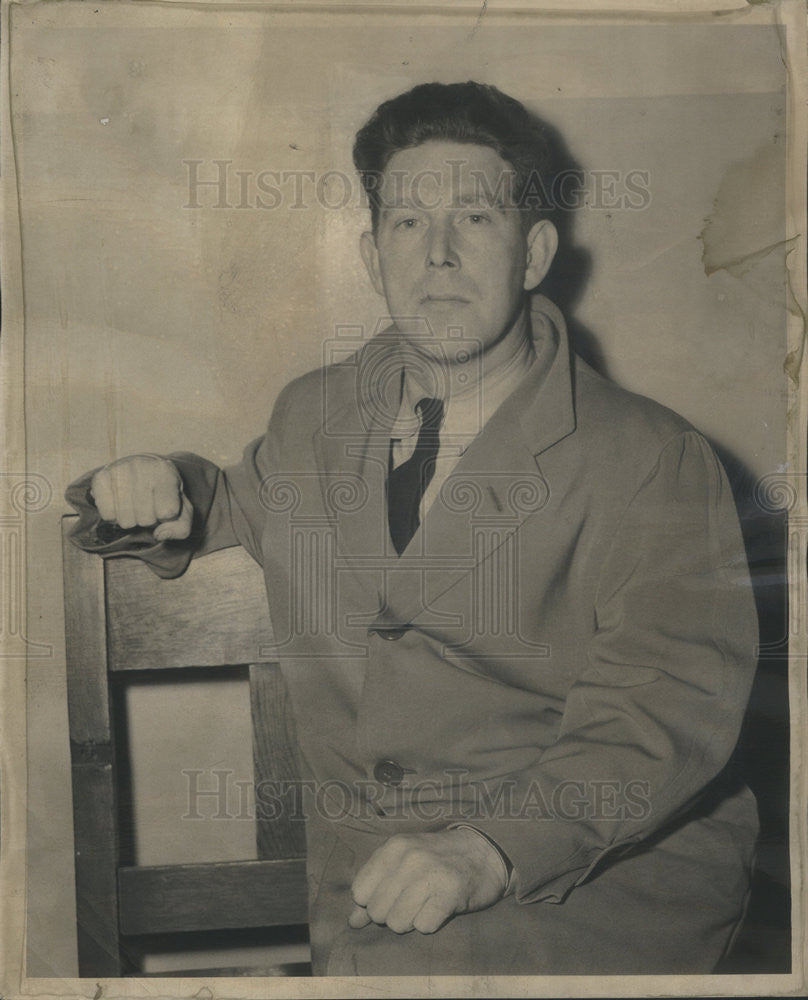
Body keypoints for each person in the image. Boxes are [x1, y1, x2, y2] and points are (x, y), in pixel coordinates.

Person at [66, 81, 760, 976]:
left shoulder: (653, 457)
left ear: (535, 251)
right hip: (370, 888)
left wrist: (486, 849)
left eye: (474, 219)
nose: (436, 255)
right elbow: (233, 498)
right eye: (405, 223)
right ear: (370, 253)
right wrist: (166, 492)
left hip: (588, 882)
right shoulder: (314, 417)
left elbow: (661, 709)